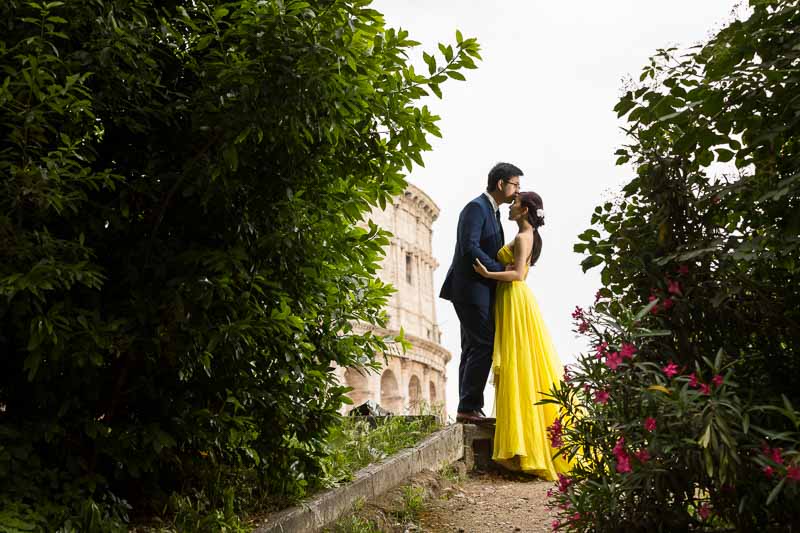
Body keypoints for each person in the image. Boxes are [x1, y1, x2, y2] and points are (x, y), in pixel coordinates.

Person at [473, 191, 569, 480]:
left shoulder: (524, 237)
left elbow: (518, 274)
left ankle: (524, 447)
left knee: (519, 363)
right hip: (512, 300)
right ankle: (523, 443)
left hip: (514, 298)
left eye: (515, 204)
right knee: (521, 363)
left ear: (524, 209)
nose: (510, 206)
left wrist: (489, 274)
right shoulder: (526, 235)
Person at [440, 162, 522, 423]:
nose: (518, 190)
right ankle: (469, 407)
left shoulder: (493, 211)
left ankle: (468, 407)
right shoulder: (476, 208)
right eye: (515, 184)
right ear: (501, 184)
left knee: (472, 346)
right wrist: (498, 268)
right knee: (484, 343)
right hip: (470, 288)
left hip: (479, 289)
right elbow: (469, 247)